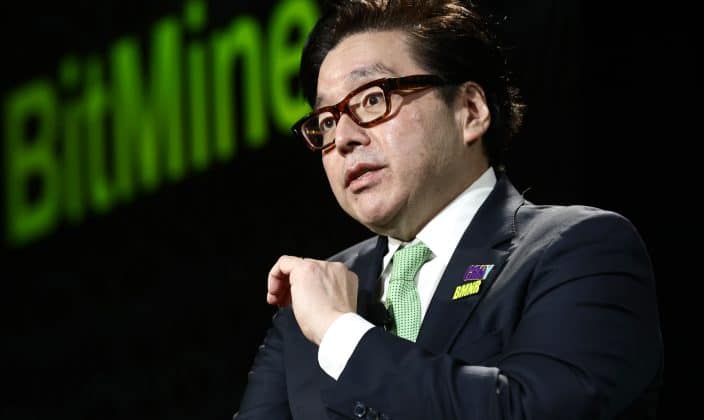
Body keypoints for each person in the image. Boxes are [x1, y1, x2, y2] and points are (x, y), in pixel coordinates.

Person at [236, 0, 663, 418]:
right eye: (327, 121)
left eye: (372, 99)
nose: (344, 137)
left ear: (470, 111)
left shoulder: (578, 250)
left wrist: (341, 332)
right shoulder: (308, 304)